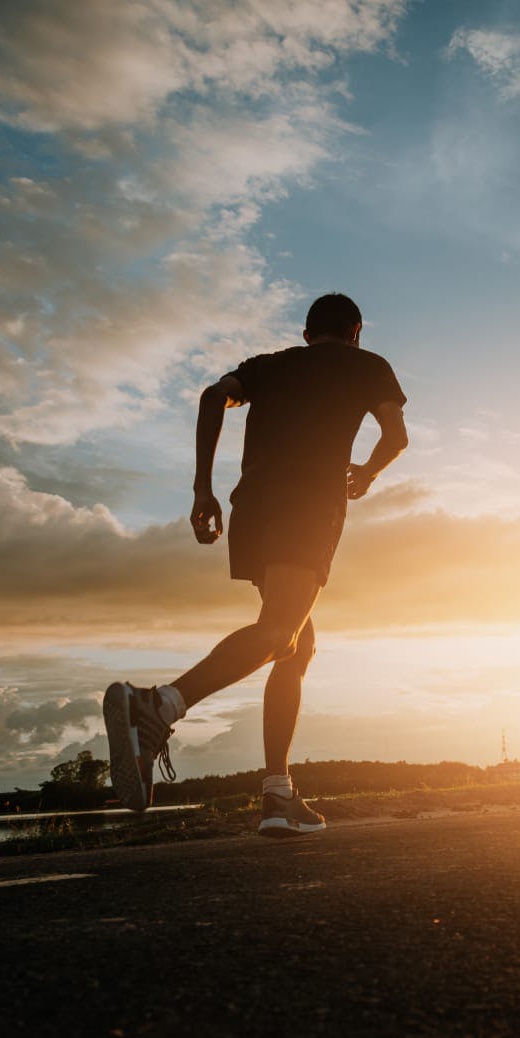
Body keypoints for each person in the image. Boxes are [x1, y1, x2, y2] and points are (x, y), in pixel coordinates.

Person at [103, 293, 408, 836]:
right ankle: (160, 706)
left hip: (252, 509)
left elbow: (212, 397)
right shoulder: (368, 365)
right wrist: (367, 471)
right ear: (356, 331)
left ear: (306, 333)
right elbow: (396, 436)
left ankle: (277, 793)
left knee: (296, 643)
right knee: (279, 633)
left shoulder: (270, 365)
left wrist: (202, 489)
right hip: (308, 506)